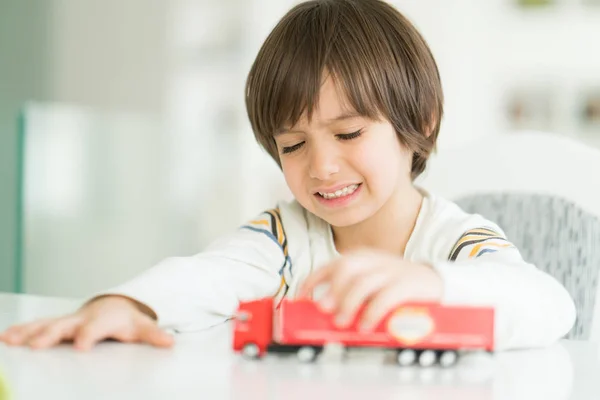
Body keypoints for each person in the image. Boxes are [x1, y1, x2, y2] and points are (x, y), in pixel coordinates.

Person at [0, 0, 575, 352]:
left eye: (349, 134)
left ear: (417, 124)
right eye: (293, 145)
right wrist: (131, 306)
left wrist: (431, 284)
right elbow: (208, 277)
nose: (321, 166)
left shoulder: (455, 241)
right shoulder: (281, 238)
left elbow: (549, 305)